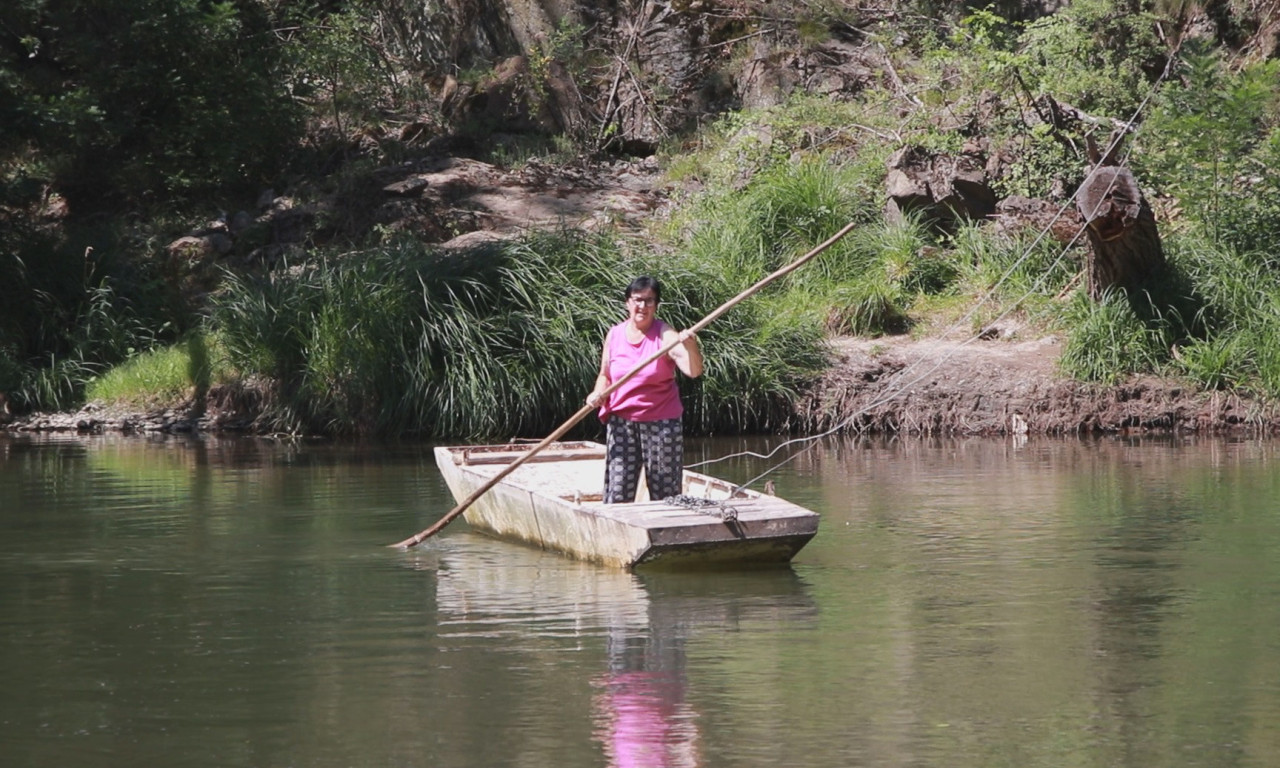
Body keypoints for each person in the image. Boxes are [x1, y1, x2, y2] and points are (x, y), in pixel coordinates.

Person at [586, 277, 703, 503]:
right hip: (621, 422)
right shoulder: (615, 334)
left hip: (661, 424)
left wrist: (690, 346)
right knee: (617, 491)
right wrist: (597, 393)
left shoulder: (665, 335)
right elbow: (606, 375)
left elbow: (693, 371)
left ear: (656, 305)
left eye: (649, 301)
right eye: (638, 300)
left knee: (665, 492)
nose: (643, 306)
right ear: (627, 303)